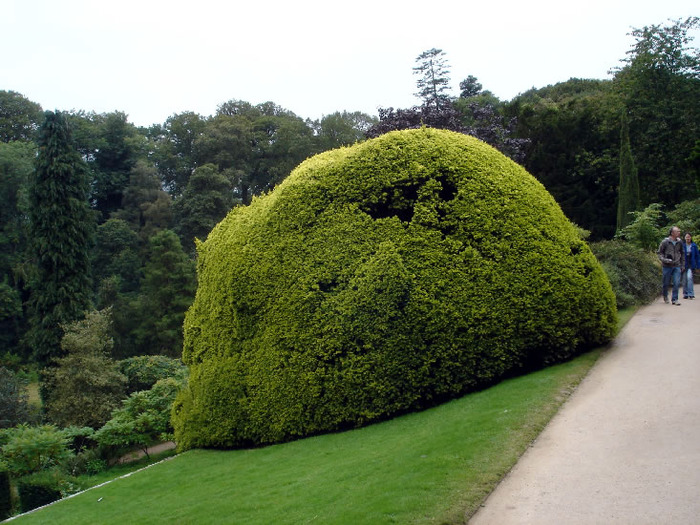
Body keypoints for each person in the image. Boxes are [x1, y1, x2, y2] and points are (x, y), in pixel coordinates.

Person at [657, 226, 685, 305]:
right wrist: (665, 260)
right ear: (672, 233)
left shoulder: (680, 242)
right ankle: (665, 296)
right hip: (667, 266)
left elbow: (682, 253)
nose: (679, 232)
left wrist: (682, 265)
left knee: (676, 283)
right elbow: (659, 253)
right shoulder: (665, 242)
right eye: (677, 231)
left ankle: (675, 299)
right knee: (666, 283)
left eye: (679, 231)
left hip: (677, 265)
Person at [682, 232, 700, 299]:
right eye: (686, 237)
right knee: (684, 280)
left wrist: (698, 266)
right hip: (683, 264)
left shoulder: (694, 246)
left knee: (689, 278)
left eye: (689, 237)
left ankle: (691, 293)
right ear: (684, 238)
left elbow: (697, 256)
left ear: (691, 237)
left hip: (691, 265)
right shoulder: (682, 246)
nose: (688, 238)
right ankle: (685, 294)